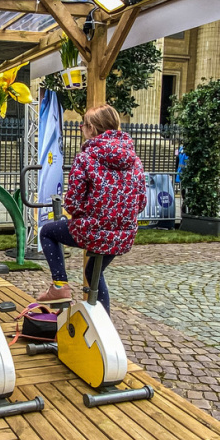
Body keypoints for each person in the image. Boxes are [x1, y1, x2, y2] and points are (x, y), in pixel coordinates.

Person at [35, 105, 146, 314]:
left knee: (48, 232)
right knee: (94, 272)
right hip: (123, 234)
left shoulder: (86, 158)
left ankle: (59, 285)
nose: (81, 128)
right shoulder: (134, 160)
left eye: (83, 124)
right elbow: (141, 202)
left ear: (92, 128)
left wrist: (86, 212)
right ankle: (104, 323)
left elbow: (72, 203)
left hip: (91, 230)